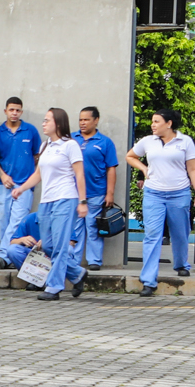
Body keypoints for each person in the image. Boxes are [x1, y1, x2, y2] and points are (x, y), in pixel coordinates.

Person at [126, 109, 195, 297]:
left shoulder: (185, 142)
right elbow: (130, 156)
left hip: (179, 194)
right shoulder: (147, 141)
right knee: (152, 236)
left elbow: (192, 169)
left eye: (156, 121)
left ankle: (181, 264)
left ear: (169, 124)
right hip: (153, 194)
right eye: (152, 121)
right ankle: (149, 281)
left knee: (180, 233)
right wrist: (144, 168)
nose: (153, 125)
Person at [27, 107, 89, 301]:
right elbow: (38, 174)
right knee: (47, 245)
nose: (43, 124)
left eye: (47, 120)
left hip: (66, 198)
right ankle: (77, 273)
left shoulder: (70, 145)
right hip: (46, 201)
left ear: (59, 124)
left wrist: (82, 201)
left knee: (61, 246)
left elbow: (79, 174)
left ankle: (54, 286)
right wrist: (21, 188)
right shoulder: (45, 146)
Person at [0, 97, 41, 269]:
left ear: (21, 112)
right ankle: (5, 256)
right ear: (5, 111)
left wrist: (29, 178)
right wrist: (2, 176)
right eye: (11, 110)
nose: (14, 113)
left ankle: (5, 256)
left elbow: (37, 156)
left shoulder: (30, 131)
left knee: (17, 222)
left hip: (24, 186)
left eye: (17, 110)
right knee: (1, 222)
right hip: (3, 185)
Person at [74, 107, 120, 269]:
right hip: (74, 193)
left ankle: (94, 261)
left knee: (93, 227)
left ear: (96, 120)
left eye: (86, 120)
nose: (82, 123)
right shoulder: (71, 139)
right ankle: (74, 261)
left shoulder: (105, 142)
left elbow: (111, 169)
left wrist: (110, 193)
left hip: (96, 193)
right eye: (80, 120)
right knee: (75, 229)